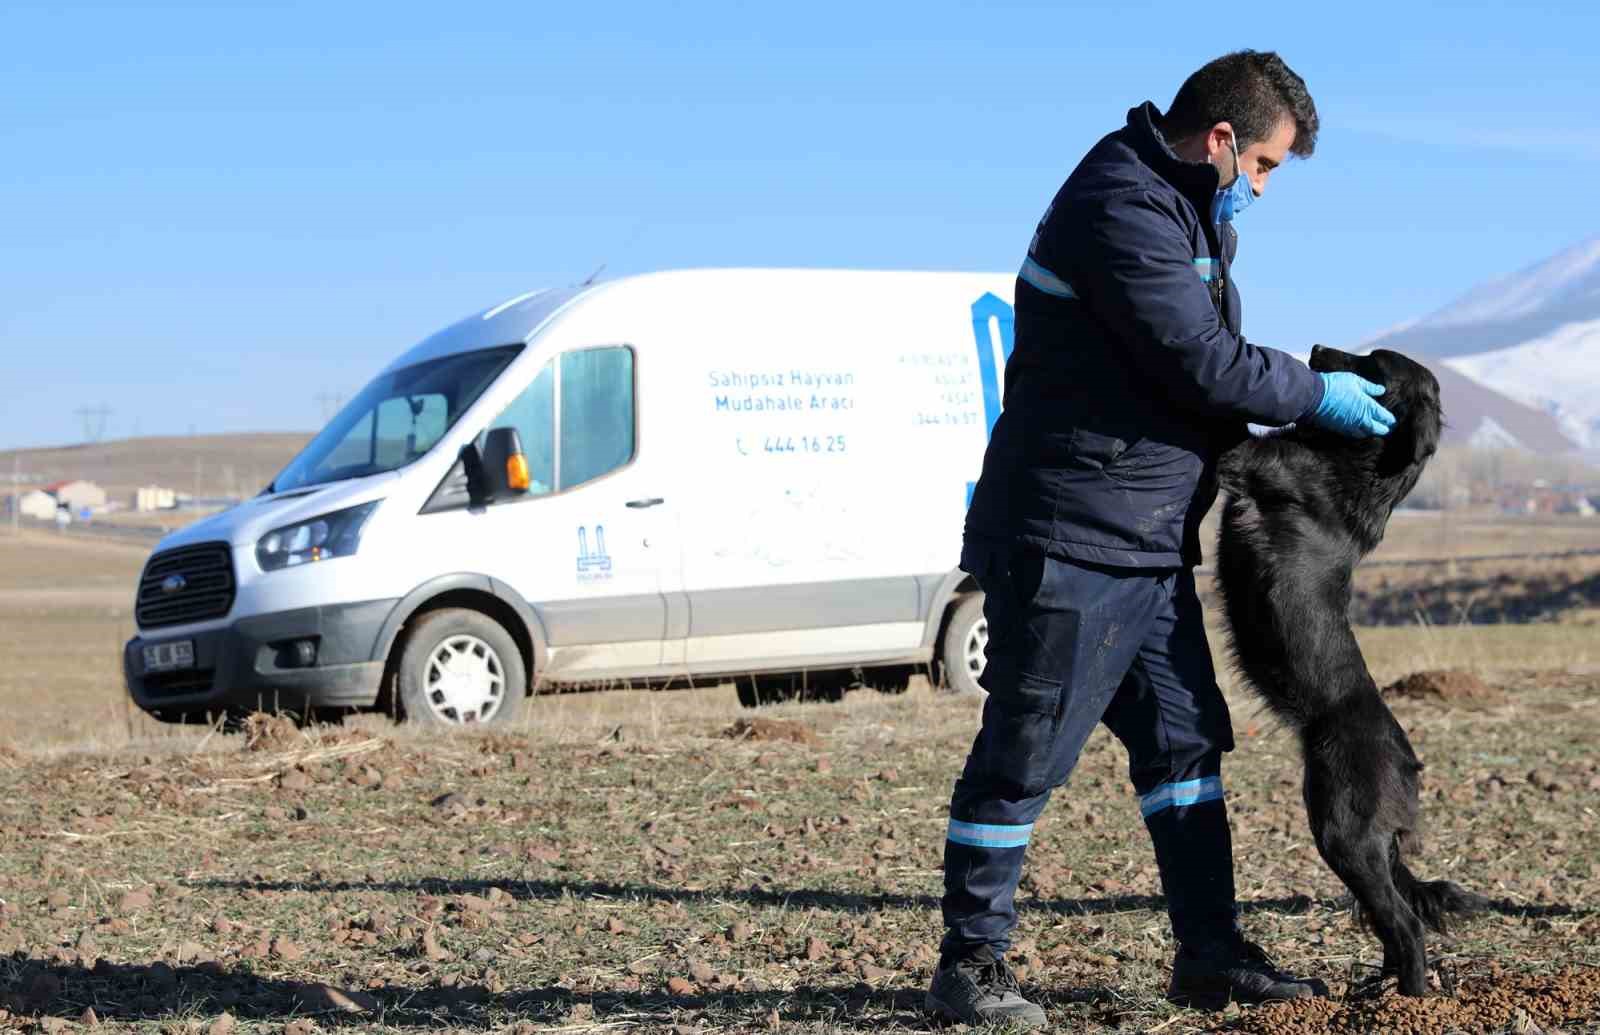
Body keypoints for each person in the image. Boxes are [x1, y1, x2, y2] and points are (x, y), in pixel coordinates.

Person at [925, 51, 1397, 1027]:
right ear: (1221, 140)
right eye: (1263, 166)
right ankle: (969, 966)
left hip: (1142, 540)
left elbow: (1191, 382)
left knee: (1184, 745)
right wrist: (1315, 397)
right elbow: (1201, 359)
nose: (1261, 187)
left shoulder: (1186, 213)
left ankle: (1210, 953)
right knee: (1023, 754)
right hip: (1070, 539)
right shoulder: (1120, 203)